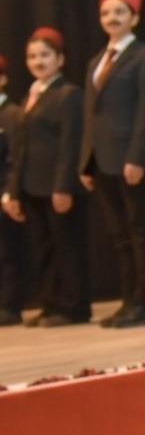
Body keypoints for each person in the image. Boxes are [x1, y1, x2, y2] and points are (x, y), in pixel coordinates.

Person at [78, 0, 145, 327]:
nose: (111, 18)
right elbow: (90, 115)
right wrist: (85, 161)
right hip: (102, 161)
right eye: (105, 12)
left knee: (140, 231)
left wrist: (137, 157)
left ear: (135, 17)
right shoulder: (95, 62)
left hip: (131, 161)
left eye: (119, 12)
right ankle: (128, 299)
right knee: (118, 236)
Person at [1, 29, 91, 326]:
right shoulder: (31, 95)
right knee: (45, 248)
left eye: (44, 55)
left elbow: (69, 144)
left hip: (57, 186)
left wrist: (63, 186)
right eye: (32, 56)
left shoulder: (68, 94)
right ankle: (52, 303)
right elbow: (21, 149)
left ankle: (74, 306)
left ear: (60, 59)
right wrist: (14, 191)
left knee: (66, 247)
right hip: (32, 187)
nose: (38, 61)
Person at [0, 53, 27, 324]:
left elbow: (15, 158)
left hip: (4, 194)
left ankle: (10, 305)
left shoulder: (11, 114)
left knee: (7, 253)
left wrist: (10, 191)